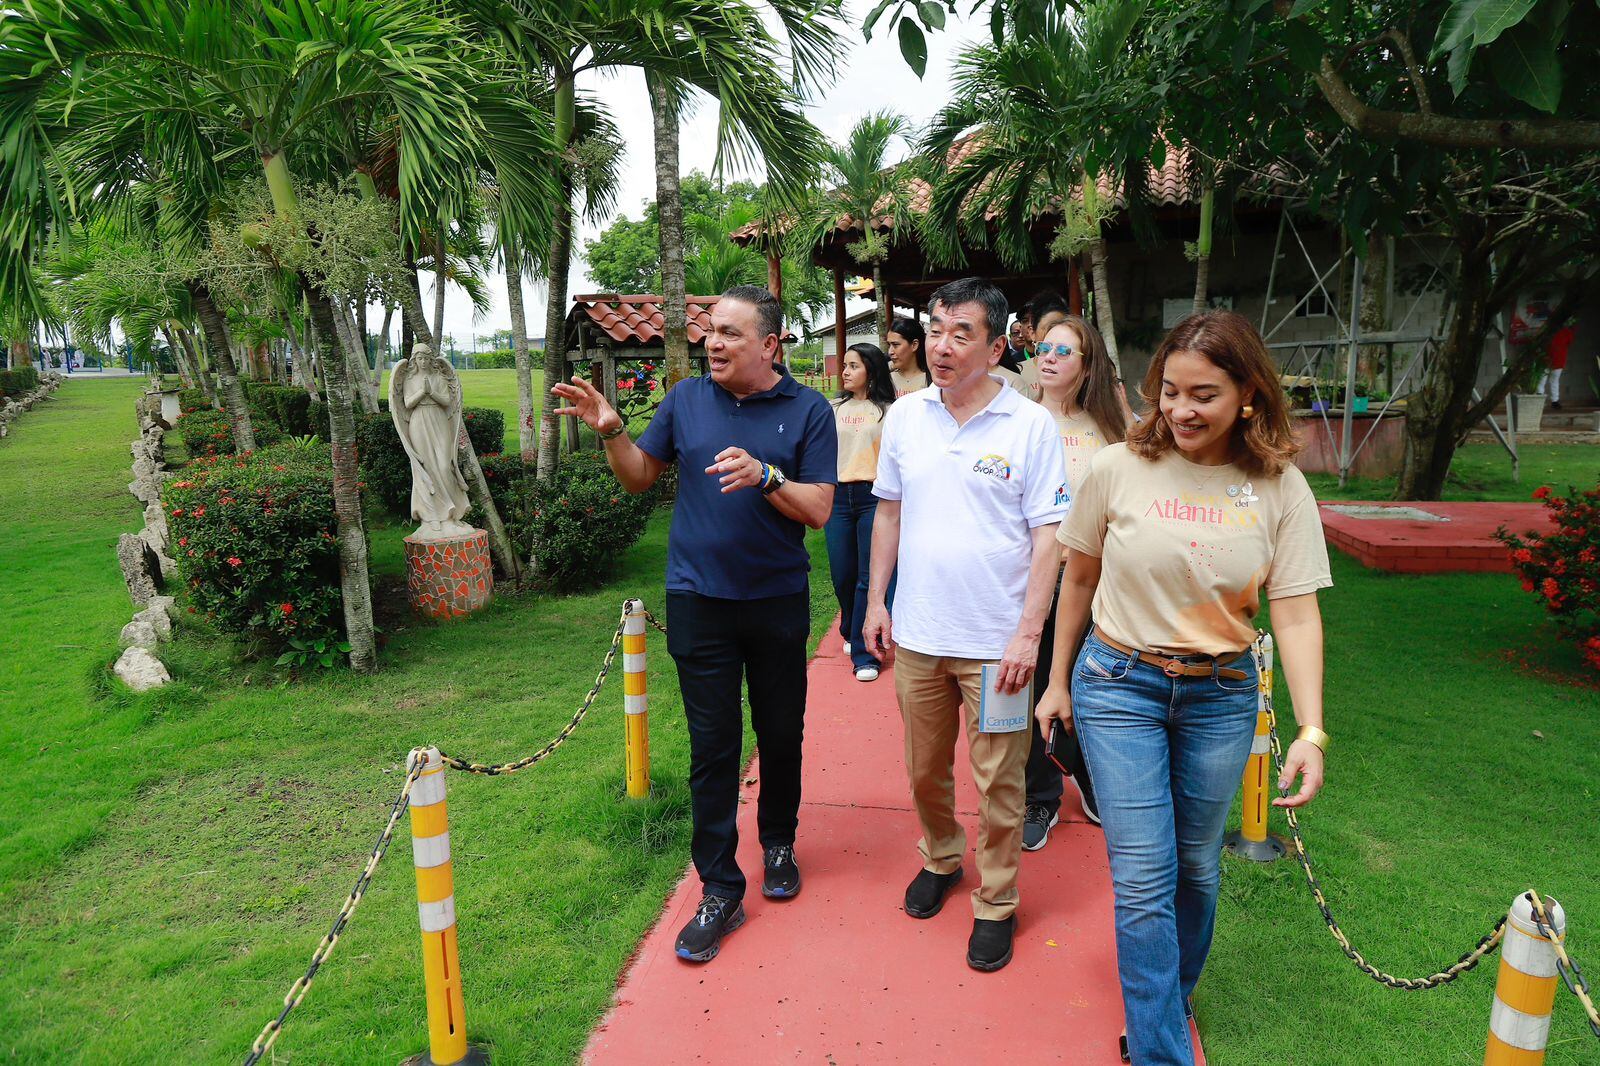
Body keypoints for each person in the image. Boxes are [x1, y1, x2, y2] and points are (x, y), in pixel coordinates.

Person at [1035, 310, 1331, 1065]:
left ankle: (1167, 995)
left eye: (1203, 394)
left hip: (1222, 692)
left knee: (1196, 868)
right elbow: (1081, 574)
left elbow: (1294, 611)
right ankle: (1163, 1050)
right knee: (1143, 879)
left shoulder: (1279, 487)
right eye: (1169, 391)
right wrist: (1057, 682)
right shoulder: (1118, 467)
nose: (1180, 410)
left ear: (1249, 398)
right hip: (1119, 684)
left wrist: (1312, 729)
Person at [552, 285, 838, 964]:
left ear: (770, 345)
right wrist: (615, 433)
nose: (713, 342)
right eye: (711, 331)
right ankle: (719, 886)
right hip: (698, 604)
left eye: (731, 333)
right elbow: (640, 478)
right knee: (712, 748)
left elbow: (821, 509)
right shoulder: (685, 400)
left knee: (779, 733)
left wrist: (768, 475)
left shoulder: (809, 411)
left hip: (774, 603)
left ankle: (778, 843)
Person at [863, 277, 1068, 973]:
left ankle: (998, 902)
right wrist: (875, 602)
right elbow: (887, 512)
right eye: (936, 331)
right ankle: (942, 856)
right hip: (919, 636)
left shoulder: (1030, 425)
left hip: (996, 647)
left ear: (997, 346)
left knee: (1001, 784)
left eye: (961, 334)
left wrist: (1028, 635)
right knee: (924, 773)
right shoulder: (907, 417)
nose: (942, 347)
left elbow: (1050, 537)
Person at [1020, 314, 1127, 850]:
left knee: (1090, 688)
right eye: (1044, 347)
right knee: (1034, 687)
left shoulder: (1109, 432)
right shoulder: (1016, 421)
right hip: (1029, 582)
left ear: (1088, 368)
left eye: (1064, 351)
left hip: (1096, 585)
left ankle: (1087, 779)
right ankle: (1038, 797)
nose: (1050, 356)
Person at [826, 342, 897, 682]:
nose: (845, 371)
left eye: (853, 365)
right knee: (842, 574)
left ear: (871, 370)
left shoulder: (889, 411)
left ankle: (864, 652)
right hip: (838, 497)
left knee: (868, 577)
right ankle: (852, 623)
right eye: (845, 365)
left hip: (873, 496)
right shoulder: (834, 407)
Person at [886, 316, 930, 396]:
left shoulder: (932, 381)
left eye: (896, 345)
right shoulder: (886, 381)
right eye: (889, 345)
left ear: (914, 345)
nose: (890, 352)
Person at [1544, 324, 1573, 409]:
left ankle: (1546, 399)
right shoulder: (1567, 331)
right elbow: (1569, 342)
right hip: (1557, 358)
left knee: (1543, 380)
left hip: (1548, 358)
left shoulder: (1546, 329)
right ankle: (1554, 401)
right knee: (1554, 380)